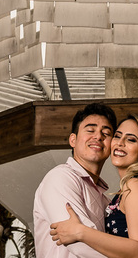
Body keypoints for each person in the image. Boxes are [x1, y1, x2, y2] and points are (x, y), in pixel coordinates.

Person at [50, 114, 138, 258]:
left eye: (131, 139)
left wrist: (80, 232)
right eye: (117, 136)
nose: (120, 143)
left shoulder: (135, 186)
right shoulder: (130, 188)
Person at [34, 102, 118, 258]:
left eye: (106, 133)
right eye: (90, 130)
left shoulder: (105, 200)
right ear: (73, 140)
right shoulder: (60, 178)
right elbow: (81, 245)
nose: (98, 136)